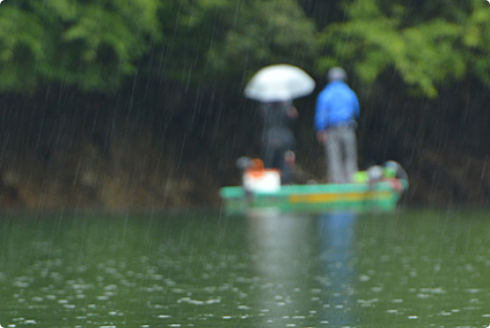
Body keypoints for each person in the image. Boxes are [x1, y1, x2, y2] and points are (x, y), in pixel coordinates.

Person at [315, 67, 360, 183]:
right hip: (348, 128)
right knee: (350, 157)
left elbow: (321, 113)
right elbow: (356, 110)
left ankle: (338, 183)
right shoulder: (350, 92)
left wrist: (321, 129)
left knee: (334, 158)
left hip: (332, 130)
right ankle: (352, 181)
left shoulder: (326, 93)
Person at [260, 98, 298, 184]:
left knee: (270, 163)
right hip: (285, 137)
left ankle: (271, 184)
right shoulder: (287, 107)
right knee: (285, 163)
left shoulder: (265, 107)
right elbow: (292, 121)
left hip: (270, 137)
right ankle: (285, 183)